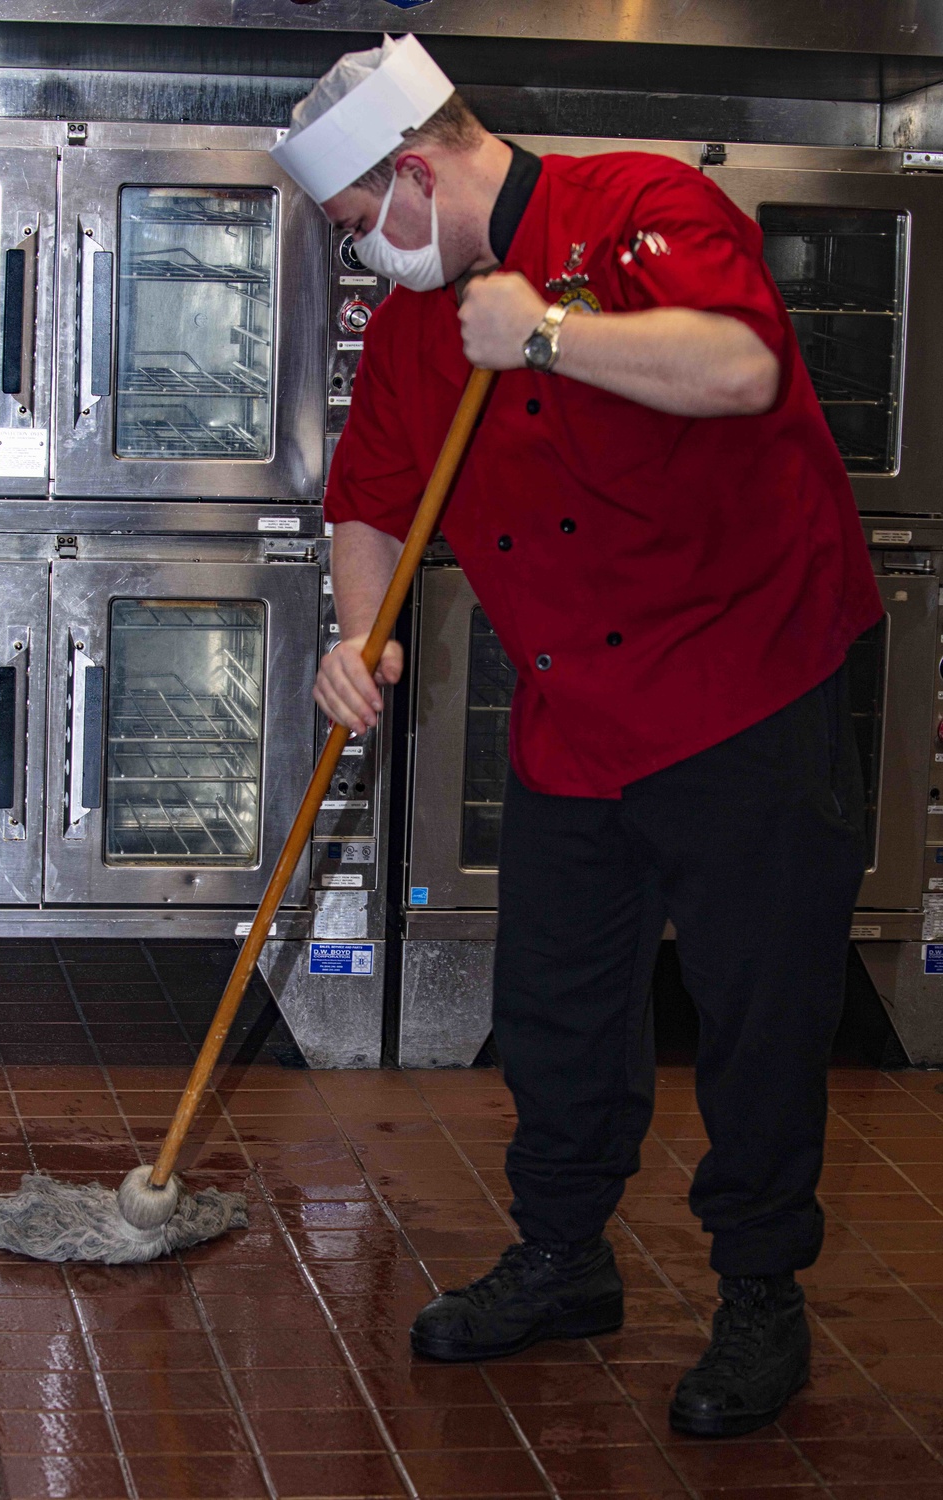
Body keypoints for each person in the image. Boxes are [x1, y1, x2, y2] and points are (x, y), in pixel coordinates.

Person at [272, 35, 883, 1438]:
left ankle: (760, 1297)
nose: (372, 259)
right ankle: (562, 1258)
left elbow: (738, 367)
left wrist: (545, 330)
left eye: (366, 226)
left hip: (751, 678)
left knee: (759, 1012)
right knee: (554, 1003)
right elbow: (367, 495)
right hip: (575, 704)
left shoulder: (638, 207)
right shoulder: (426, 326)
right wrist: (356, 634)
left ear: (414, 170)